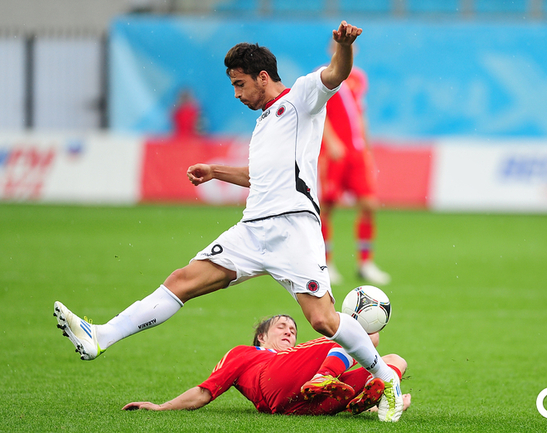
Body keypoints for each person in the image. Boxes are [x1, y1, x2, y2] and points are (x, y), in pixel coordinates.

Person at [54, 20, 404, 423]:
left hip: (292, 228)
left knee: (323, 320)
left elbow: (336, 73)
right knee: (182, 280)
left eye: (240, 84)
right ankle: (100, 336)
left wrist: (343, 47)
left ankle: (386, 379)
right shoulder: (264, 122)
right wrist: (216, 171)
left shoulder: (301, 97)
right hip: (252, 229)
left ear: (262, 77)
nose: (237, 94)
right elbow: (261, 176)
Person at [122, 315, 411, 416]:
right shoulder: (245, 353)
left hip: (301, 405)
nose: (288, 331)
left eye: (293, 330)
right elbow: (206, 390)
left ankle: (378, 400)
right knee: (356, 335)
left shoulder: (302, 355)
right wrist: (162, 407)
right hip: (273, 383)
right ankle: (326, 378)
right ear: (261, 337)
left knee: (396, 361)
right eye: (281, 326)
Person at [319, 43, 390, 286]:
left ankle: (365, 263)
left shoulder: (358, 77)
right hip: (334, 153)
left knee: (369, 204)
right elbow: (318, 112)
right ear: (331, 48)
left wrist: (367, 148)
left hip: (356, 153)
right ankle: (325, 264)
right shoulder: (323, 75)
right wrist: (330, 141)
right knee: (326, 207)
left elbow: (360, 114)